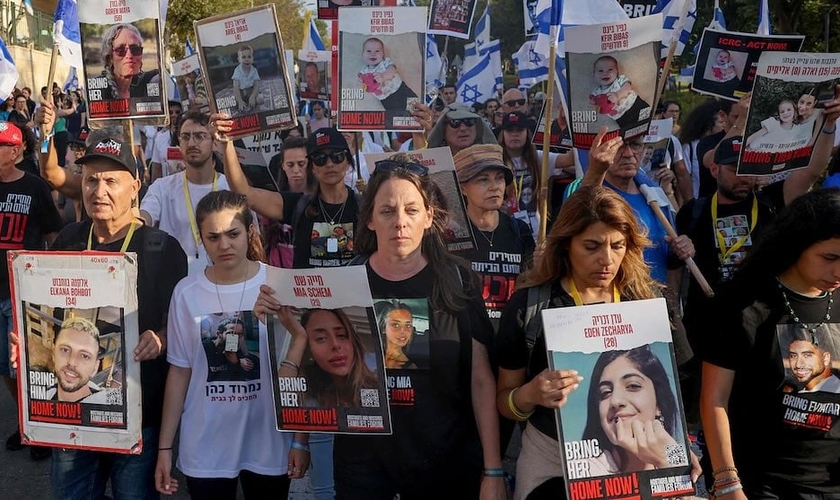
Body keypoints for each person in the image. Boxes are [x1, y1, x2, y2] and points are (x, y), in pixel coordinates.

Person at [255, 155, 505, 498]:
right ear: (370, 219)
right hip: (363, 465)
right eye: (387, 211)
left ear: (429, 216)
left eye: (411, 210)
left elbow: (481, 380)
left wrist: (493, 468)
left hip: (445, 462)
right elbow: (316, 373)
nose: (399, 222)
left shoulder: (458, 280)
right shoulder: (340, 285)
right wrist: (272, 315)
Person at [495, 186, 698, 499]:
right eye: (592, 246)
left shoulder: (653, 304)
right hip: (551, 463)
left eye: (618, 246)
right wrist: (531, 393)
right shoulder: (530, 307)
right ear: (565, 246)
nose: (607, 259)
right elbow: (505, 402)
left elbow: (684, 391)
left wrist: (674, 454)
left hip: (648, 471)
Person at [14, 136, 188, 498]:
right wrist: (28, 345)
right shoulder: (69, 239)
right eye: (91, 180)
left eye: (111, 181)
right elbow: (48, 317)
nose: (99, 190)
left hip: (140, 416)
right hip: (74, 416)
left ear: (134, 187)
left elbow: (180, 327)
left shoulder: (162, 248)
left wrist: (161, 339)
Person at [155, 189, 307, 499]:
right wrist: (165, 447)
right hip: (206, 446)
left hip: (268, 443)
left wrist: (299, 440)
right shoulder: (186, 292)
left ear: (250, 230)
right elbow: (180, 372)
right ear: (202, 238)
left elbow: (299, 369)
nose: (224, 245)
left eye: (233, 234)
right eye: (213, 237)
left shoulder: (279, 284)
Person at [700, 188, 840, 499]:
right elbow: (714, 400)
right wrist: (726, 481)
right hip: (762, 482)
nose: (838, 272)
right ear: (797, 246)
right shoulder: (744, 305)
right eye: (829, 257)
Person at [0, 121, 63, 459]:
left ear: (16, 150)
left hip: (21, 289)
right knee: (3, 367)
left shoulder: (35, 187)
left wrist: (52, 282)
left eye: (0, 147)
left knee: (29, 363)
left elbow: (54, 235)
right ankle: (26, 418)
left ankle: (41, 425)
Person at [220, 124, 361, 268]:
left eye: (337, 156)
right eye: (320, 158)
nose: (330, 164)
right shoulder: (298, 205)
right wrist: (227, 143)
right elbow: (245, 194)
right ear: (312, 167)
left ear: (348, 161)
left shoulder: (364, 207)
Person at [140, 111, 232, 275]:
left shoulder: (230, 188)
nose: (191, 143)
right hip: (174, 283)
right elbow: (144, 217)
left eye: (200, 136)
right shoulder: (162, 187)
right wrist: (135, 222)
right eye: (185, 137)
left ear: (214, 143)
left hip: (222, 282)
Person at [453, 144, 534, 328]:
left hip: (511, 336)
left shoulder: (519, 230)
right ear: (463, 188)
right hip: (466, 337)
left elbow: (531, 284)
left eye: (499, 179)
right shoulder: (451, 234)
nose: (494, 187)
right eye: (483, 180)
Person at [581, 346, 687, 476]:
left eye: (633, 386)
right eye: (605, 393)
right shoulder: (587, 470)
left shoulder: (678, 452)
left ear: (659, 403)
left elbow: (686, 490)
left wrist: (669, 462)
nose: (615, 401)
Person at [276, 307, 379, 407]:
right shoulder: (308, 395)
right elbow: (278, 405)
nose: (335, 345)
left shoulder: (376, 380)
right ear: (308, 349)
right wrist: (300, 338)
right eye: (321, 338)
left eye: (341, 335)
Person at [45, 317, 113, 404]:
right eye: (65, 350)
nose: (72, 362)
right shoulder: (40, 395)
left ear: (95, 368)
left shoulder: (108, 408)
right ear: (54, 354)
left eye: (84, 356)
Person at [356, 37, 418, 118]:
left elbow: (393, 69)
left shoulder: (385, 62)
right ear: (363, 55)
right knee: (396, 115)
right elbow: (363, 84)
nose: (373, 54)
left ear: (383, 54)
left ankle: (416, 118)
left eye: (377, 51)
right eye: (368, 51)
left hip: (399, 88)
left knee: (414, 104)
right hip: (386, 98)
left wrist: (383, 76)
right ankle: (405, 123)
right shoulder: (364, 71)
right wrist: (361, 81)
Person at [588, 56, 650, 131]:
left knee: (649, 119)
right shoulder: (597, 92)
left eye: (610, 69)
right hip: (621, 117)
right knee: (630, 132)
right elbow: (596, 105)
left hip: (634, 104)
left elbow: (628, 86)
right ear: (594, 75)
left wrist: (618, 94)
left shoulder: (619, 80)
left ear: (617, 72)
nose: (605, 73)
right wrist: (594, 104)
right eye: (600, 71)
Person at [101, 23, 161, 100]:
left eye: (135, 49)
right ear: (109, 57)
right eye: (120, 50)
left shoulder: (149, 82)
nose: (129, 55)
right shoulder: (99, 89)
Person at [426, 103, 497, 156]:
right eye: (455, 122)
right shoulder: (432, 163)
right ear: (443, 129)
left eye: (469, 121)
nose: (463, 128)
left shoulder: (490, 160)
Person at [375, 300, 420, 369]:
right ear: (383, 328)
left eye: (408, 325)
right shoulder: (371, 355)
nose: (403, 331)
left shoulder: (411, 367)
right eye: (396, 325)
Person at [231, 45, 264, 113]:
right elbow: (235, 87)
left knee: (260, 99)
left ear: (252, 58)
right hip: (241, 92)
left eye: (249, 57)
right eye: (243, 57)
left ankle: (250, 100)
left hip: (250, 90)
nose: (247, 59)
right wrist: (239, 101)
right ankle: (242, 102)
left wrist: (253, 96)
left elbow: (256, 85)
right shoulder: (237, 71)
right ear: (239, 59)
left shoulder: (254, 70)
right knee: (233, 102)